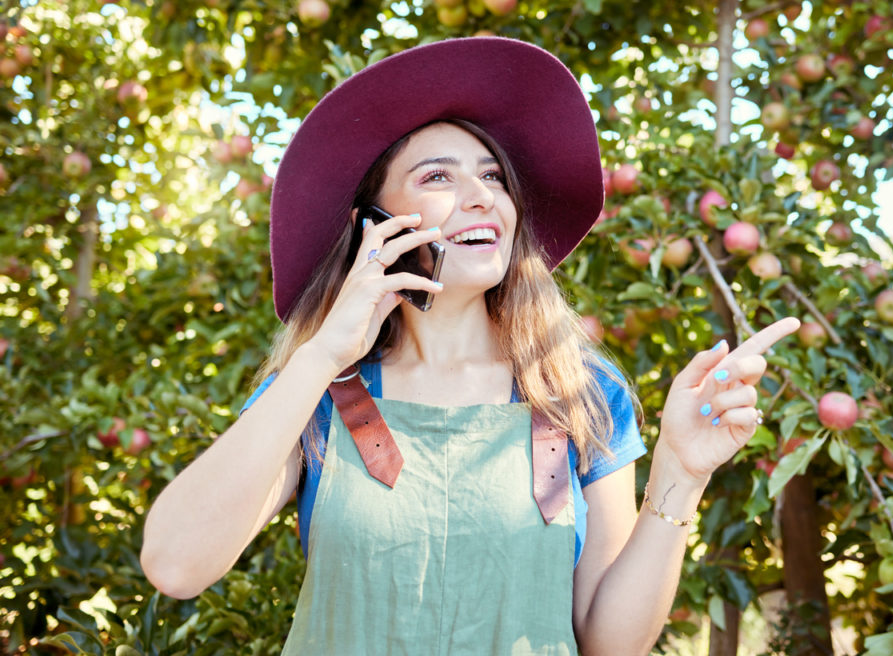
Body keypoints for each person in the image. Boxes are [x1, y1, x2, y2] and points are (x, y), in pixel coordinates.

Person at [140, 37, 799, 655]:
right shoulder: (318, 392)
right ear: (373, 224)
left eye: (492, 176)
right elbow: (175, 565)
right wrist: (317, 354)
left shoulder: (581, 391)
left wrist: (681, 476)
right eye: (437, 178)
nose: (482, 196)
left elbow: (609, 641)